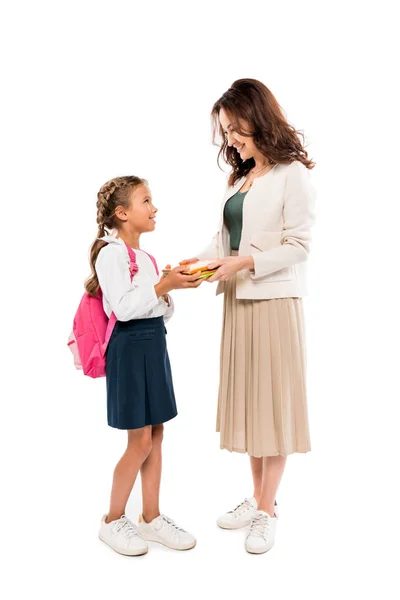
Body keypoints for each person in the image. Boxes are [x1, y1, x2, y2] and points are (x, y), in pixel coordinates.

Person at [181, 79, 316, 554]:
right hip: (238, 301)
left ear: (259, 117)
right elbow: (224, 245)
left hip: (274, 302)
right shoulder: (237, 179)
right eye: (226, 132)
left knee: (273, 407)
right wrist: (193, 265)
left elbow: (298, 247)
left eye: (236, 128)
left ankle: (266, 509)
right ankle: (261, 498)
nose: (232, 139)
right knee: (253, 405)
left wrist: (245, 263)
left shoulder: (291, 173)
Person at [85, 175, 202, 556]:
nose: (154, 209)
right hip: (129, 351)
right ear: (122, 213)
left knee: (157, 435)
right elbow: (123, 309)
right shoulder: (110, 254)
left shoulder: (147, 258)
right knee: (139, 442)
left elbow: (159, 313)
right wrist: (162, 287)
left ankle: (150, 518)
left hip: (154, 346)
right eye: (146, 201)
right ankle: (113, 520)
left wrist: (170, 287)